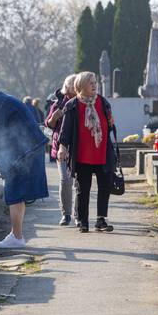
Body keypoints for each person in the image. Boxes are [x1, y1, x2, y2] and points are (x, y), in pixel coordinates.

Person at [0, 79, 49, 248]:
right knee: (17, 195)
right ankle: (16, 234)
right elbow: (3, 131)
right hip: (28, 150)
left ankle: (17, 237)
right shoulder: (1, 100)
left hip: (24, 153)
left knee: (13, 194)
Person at [57, 71, 116, 233]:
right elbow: (65, 130)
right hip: (82, 155)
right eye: (91, 83)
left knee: (105, 186)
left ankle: (101, 220)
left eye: (95, 82)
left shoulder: (102, 102)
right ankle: (83, 221)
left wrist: (111, 123)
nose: (95, 85)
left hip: (102, 153)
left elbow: (109, 127)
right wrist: (63, 147)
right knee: (83, 189)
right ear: (81, 86)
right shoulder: (73, 105)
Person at [45, 74, 77, 226]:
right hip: (61, 147)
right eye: (72, 85)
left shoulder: (82, 102)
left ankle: (79, 214)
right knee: (65, 179)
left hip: (78, 146)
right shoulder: (57, 103)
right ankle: (66, 214)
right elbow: (49, 124)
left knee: (78, 182)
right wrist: (55, 117)